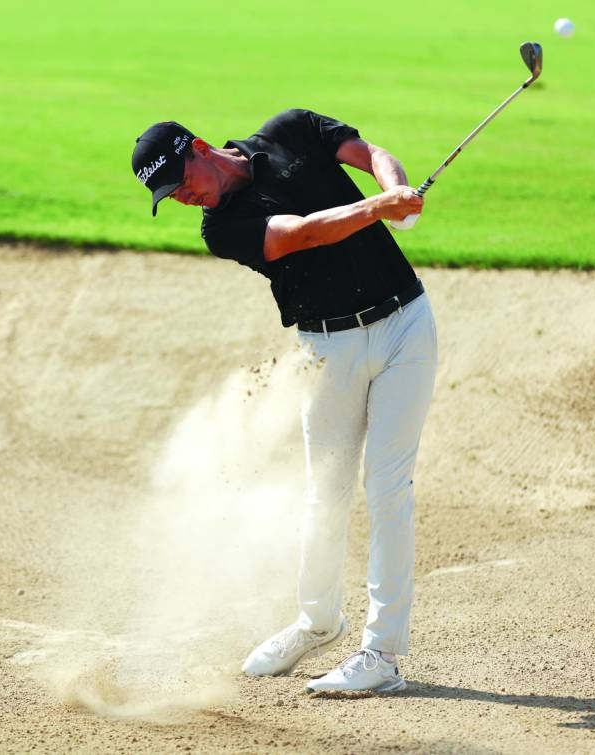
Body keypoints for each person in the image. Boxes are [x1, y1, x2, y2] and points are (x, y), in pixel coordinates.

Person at [131, 109, 438, 694]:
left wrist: (394, 188)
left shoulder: (292, 129)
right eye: (170, 196)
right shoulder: (221, 230)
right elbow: (306, 232)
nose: (184, 198)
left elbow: (370, 154)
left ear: (198, 147)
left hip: (405, 327)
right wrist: (378, 210)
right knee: (326, 490)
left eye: (182, 182)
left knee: (387, 487)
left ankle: (381, 654)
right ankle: (318, 621)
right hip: (327, 348)